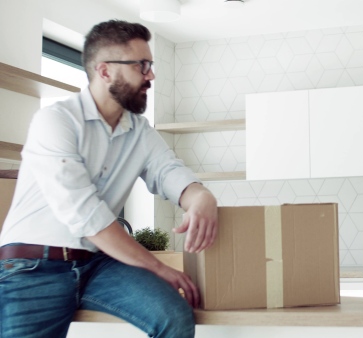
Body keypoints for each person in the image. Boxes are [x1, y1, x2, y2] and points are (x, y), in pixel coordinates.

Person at [0, 20, 218, 337]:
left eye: (151, 65)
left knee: (174, 317)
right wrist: (157, 266)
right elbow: (87, 215)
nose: (151, 76)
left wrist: (201, 198)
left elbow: (169, 171)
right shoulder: (55, 121)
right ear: (104, 71)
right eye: (142, 66)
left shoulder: (140, 132)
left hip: (97, 264)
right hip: (33, 268)